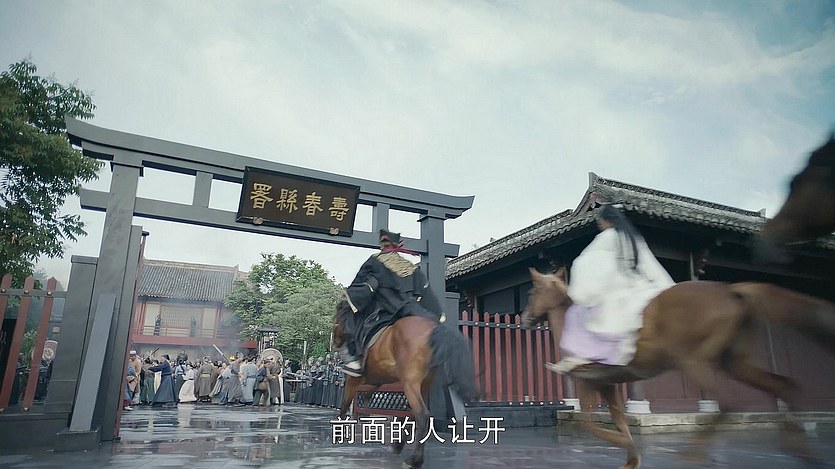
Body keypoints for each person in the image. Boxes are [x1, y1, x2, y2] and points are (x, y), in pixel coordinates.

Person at [548, 204, 675, 373]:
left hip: (616, 289)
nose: (600, 225)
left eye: (600, 222)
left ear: (607, 220)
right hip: (639, 287)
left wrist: (581, 292)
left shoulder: (607, 237)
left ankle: (585, 358)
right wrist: (667, 289)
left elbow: (584, 262)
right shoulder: (634, 238)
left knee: (576, 313)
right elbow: (651, 265)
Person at [339, 229, 444, 376]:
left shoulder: (375, 261)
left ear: (382, 244)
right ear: (397, 245)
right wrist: (436, 313)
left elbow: (365, 285)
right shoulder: (410, 266)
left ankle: (354, 358)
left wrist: (352, 296)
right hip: (413, 310)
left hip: (386, 310)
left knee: (349, 314)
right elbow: (425, 289)